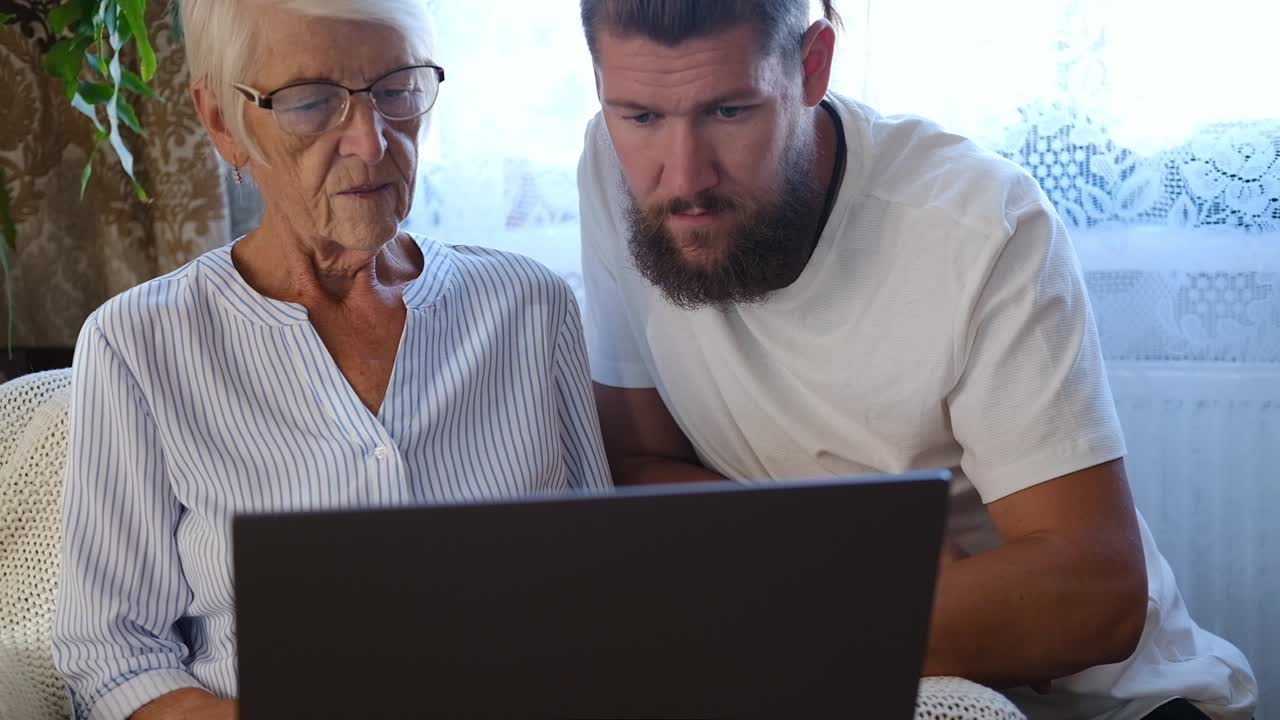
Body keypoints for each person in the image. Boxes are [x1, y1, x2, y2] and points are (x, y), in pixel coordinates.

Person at [574, 1, 1257, 718]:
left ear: (811, 67)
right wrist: (850, 551)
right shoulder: (612, 168)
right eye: (640, 116)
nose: (684, 178)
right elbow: (637, 462)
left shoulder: (977, 222)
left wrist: (772, 610)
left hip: (1113, 707)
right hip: (863, 671)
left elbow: (1095, 598)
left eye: (729, 112)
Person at [51, 1, 611, 718]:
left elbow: (603, 591)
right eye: (312, 101)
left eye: (398, 88)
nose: (371, 142)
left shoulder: (530, 308)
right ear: (222, 121)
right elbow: (110, 659)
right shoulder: (139, 345)